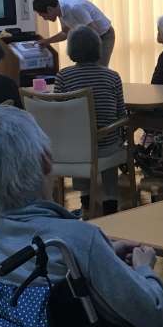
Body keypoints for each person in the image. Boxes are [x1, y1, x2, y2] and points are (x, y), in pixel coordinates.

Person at [0, 105, 163, 327]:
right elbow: (155, 315)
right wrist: (144, 268)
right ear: (46, 161)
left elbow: (49, 265)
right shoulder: (81, 238)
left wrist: (105, 253)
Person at [54, 27, 127, 216]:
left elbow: (58, 113)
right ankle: (110, 199)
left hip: (75, 150)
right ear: (98, 48)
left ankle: (85, 199)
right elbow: (121, 114)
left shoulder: (63, 76)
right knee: (110, 141)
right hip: (105, 147)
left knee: (79, 138)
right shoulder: (112, 76)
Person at [32, 0, 115, 67]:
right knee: (83, 68)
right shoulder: (59, 10)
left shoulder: (74, 8)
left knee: (98, 69)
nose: (45, 19)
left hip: (104, 35)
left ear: (49, 9)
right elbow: (65, 33)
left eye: (43, 16)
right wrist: (47, 41)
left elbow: (93, 32)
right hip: (90, 38)